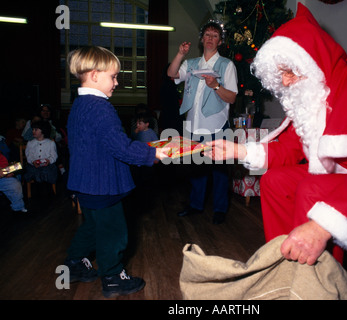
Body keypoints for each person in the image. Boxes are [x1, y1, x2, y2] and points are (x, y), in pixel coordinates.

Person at [206, 4, 347, 265]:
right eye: (281, 76)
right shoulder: (312, 100)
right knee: (274, 181)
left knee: (311, 188)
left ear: (312, 61)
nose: (286, 82)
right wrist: (238, 151)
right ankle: (283, 266)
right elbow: (289, 149)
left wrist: (320, 229)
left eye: (289, 72)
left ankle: (317, 283)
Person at [64, 46, 169, 298]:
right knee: (114, 232)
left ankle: (75, 263)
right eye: (113, 76)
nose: (117, 82)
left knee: (91, 227)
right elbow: (119, 146)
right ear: (95, 75)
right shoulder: (101, 108)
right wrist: (151, 154)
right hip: (103, 185)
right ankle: (112, 277)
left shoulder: (79, 105)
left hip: (85, 184)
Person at [167, 20, 238, 224]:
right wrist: (181, 53)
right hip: (193, 123)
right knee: (197, 168)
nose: (210, 39)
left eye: (215, 36)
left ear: (220, 41)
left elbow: (231, 97)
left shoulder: (226, 65)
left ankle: (220, 209)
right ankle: (196, 205)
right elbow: (171, 74)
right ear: (201, 38)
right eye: (207, 34)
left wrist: (216, 86)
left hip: (216, 124)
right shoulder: (191, 64)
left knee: (219, 171)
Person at [23, 120, 58, 187]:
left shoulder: (50, 143)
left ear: (43, 130)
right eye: (33, 129)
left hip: (47, 166)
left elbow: (54, 155)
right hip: (34, 165)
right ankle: (39, 189)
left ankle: (46, 189)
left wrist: (49, 161)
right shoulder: (30, 143)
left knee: (47, 171)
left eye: (36, 129)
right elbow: (29, 155)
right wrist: (33, 161)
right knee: (35, 172)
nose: (33, 131)